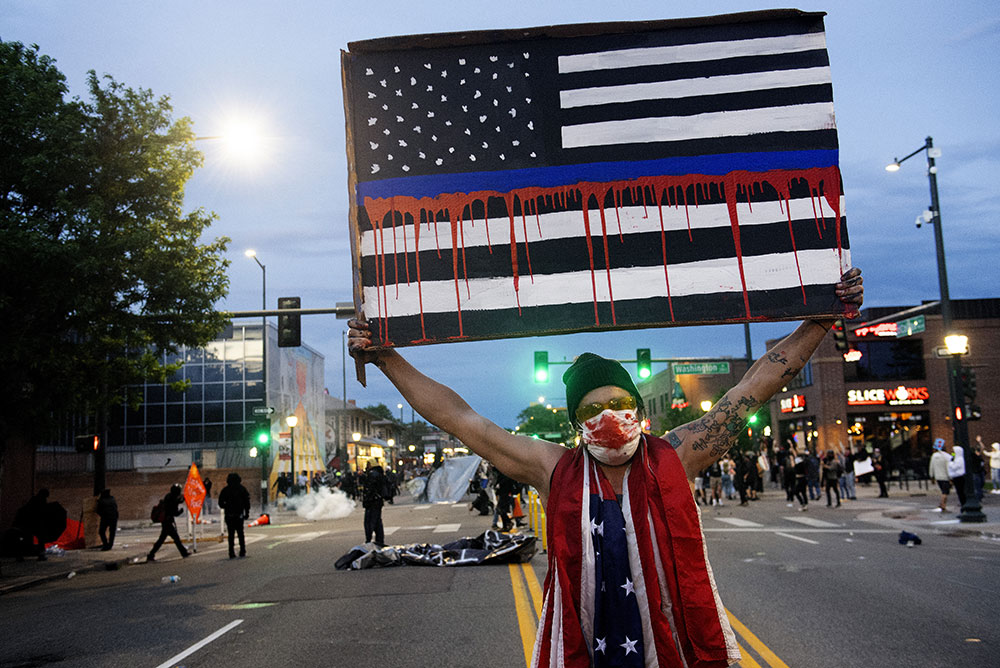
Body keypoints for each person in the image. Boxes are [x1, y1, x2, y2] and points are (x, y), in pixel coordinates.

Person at [349, 268, 863, 666]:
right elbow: (461, 420)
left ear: (639, 409)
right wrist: (386, 356)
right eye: (593, 410)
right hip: (585, 644)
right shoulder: (553, 470)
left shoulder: (678, 453)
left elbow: (755, 386)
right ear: (576, 423)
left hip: (675, 644)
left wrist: (820, 319)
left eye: (620, 403)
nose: (609, 418)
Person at [147, 484, 189, 562]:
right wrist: (180, 511)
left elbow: (177, 501)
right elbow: (174, 512)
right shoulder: (172, 499)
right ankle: (184, 553)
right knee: (174, 539)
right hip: (168, 522)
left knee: (163, 539)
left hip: (166, 521)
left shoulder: (169, 496)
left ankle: (151, 554)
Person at [218, 472, 251, 558]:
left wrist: (227, 506)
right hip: (239, 514)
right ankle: (242, 550)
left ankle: (231, 552)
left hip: (229, 514)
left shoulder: (225, 490)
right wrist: (247, 512)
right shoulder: (242, 489)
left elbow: (220, 503)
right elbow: (247, 502)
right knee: (240, 533)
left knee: (231, 534)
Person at [360, 462, 386, 546]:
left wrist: (367, 500)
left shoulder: (372, 474)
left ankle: (369, 540)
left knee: (369, 521)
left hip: (372, 502)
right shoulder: (378, 473)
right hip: (377, 501)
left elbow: (369, 489)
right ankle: (379, 540)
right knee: (377, 522)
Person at [928, 438, 952, 512]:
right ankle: (942, 504)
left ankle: (943, 504)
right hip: (945, 477)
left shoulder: (934, 456)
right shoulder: (947, 456)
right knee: (945, 492)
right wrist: (950, 477)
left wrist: (931, 476)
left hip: (938, 477)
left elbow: (931, 467)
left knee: (943, 490)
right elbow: (948, 467)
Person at [947, 441, 967, 509]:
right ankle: (962, 502)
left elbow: (954, 467)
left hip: (959, 477)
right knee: (959, 491)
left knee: (961, 491)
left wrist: (950, 463)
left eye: (953, 451)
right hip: (955, 477)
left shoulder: (960, 459)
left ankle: (963, 502)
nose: (953, 452)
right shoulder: (955, 458)